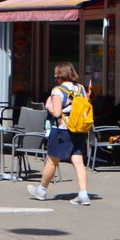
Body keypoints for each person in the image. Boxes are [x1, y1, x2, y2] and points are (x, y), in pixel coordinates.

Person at [28, 62, 91, 206]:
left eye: (56, 75)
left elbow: (56, 112)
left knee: (52, 160)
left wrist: (48, 105)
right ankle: (83, 194)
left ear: (59, 75)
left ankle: (42, 190)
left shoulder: (57, 90)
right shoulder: (80, 88)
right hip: (79, 129)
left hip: (62, 130)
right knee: (78, 161)